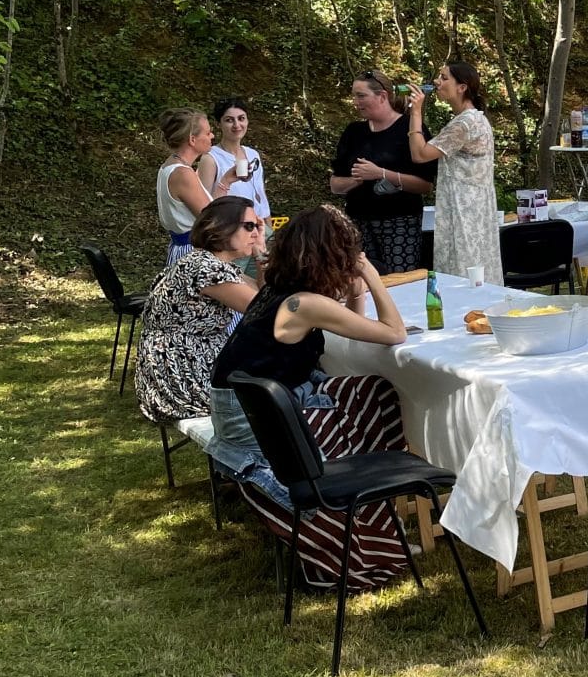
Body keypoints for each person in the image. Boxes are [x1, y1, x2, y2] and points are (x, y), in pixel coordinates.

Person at [206, 206, 417, 591]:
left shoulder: (280, 291)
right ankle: (363, 506)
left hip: (253, 404)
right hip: (253, 419)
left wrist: (355, 294)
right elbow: (394, 333)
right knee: (367, 401)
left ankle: (373, 502)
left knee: (371, 393)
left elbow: (356, 329)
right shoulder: (304, 304)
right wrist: (369, 276)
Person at [135, 197, 265, 421]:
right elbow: (265, 309)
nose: (256, 233)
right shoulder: (207, 268)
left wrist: (261, 253)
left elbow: (264, 293)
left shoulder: (211, 262)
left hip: (180, 363)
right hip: (182, 373)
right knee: (274, 394)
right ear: (223, 227)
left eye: (258, 227)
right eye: (249, 226)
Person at [330, 70, 436, 272]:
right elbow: (335, 184)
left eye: (361, 96)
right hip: (357, 223)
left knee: (400, 282)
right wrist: (358, 180)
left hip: (400, 224)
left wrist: (381, 173)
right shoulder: (353, 132)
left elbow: (425, 185)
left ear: (383, 96)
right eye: (354, 95)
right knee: (362, 284)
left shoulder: (410, 128)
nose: (355, 102)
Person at [407, 61, 502, 283]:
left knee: (463, 273)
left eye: (444, 77)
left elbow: (420, 154)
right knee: (477, 271)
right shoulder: (473, 118)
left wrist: (416, 113)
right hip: (474, 207)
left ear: (462, 87)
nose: (437, 82)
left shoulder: (466, 123)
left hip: (464, 210)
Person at [157, 108, 232, 266]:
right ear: (192, 139)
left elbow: (208, 208)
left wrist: (226, 181)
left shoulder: (172, 166)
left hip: (187, 250)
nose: (212, 136)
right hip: (193, 255)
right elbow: (213, 218)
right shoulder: (182, 174)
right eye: (208, 133)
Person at [199, 98, 272, 226]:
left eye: (241, 118)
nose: (237, 125)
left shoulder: (252, 154)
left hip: (259, 228)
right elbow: (203, 207)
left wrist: (270, 233)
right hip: (231, 230)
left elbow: (261, 198)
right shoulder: (210, 159)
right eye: (229, 120)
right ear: (218, 124)